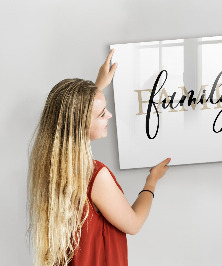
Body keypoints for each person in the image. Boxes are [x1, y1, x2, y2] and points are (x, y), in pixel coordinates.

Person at [27, 49, 171, 266]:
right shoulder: (95, 176)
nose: (110, 115)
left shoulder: (49, 164)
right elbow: (134, 224)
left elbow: (73, 113)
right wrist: (151, 181)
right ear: (81, 123)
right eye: (102, 113)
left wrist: (97, 86)